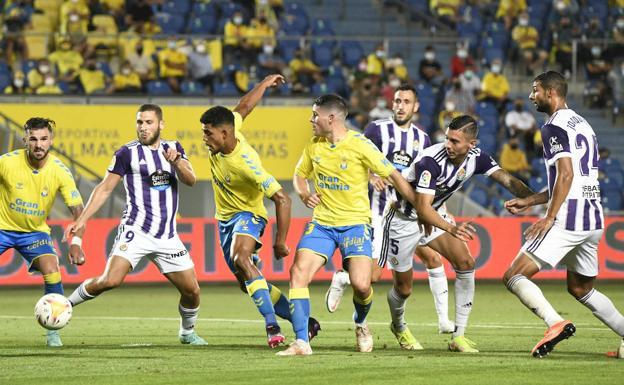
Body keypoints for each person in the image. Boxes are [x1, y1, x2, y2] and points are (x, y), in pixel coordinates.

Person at [277, 94, 421, 356]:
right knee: (298, 273)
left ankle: (360, 323)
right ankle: (301, 342)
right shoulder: (314, 146)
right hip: (322, 224)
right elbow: (299, 176)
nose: (311, 120)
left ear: (330, 118)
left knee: (363, 285)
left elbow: (393, 175)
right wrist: (304, 193)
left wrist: (420, 208)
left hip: (355, 225)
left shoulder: (360, 145)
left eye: (314, 115)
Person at [63, 104, 208, 345]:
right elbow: (104, 188)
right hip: (136, 230)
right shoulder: (126, 153)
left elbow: (191, 179)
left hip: (167, 236)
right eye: (140, 122)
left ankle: (187, 332)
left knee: (192, 292)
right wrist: (81, 220)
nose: (143, 127)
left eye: (149, 122)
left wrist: (177, 162)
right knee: (110, 280)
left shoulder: (174, 148)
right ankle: (66, 304)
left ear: (161, 124)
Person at [503, 70, 624, 359]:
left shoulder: (552, 127)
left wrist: (549, 216)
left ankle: (555, 323)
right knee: (581, 288)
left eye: (535, 90)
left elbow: (567, 174)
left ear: (551, 92)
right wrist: (532, 199)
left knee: (513, 275)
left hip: (569, 218)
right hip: (593, 217)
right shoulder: (582, 123)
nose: (531, 96)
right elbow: (568, 177)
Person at [324, 84, 455, 350]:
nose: (400, 106)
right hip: (380, 214)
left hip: (411, 213)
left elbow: (425, 179)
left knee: (433, 257)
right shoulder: (376, 129)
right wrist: (372, 175)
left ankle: (443, 321)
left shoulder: (423, 138)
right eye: (397, 100)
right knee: (372, 277)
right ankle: (343, 277)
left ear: (415, 107)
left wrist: (436, 209)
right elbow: (356, 155)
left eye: (406, 101)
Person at [199, 74, 320, 348]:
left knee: (242, 259)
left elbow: (283, 200)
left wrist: (280, 241)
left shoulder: (246, 163)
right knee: (248, 282)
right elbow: (243, 107)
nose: (204, 138)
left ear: (224, 133)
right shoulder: (226, 134)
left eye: (208, 133)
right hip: (225, 220)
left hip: (249, 215)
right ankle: (308, 322)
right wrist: (264, 85)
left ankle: (271, 326)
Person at [401, 114, 534, 352]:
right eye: (447, 139)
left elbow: (508, 180)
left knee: (465, 262)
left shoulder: (477, 159)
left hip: (430, 216)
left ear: (471, 145)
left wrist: (533, 199)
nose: (448, 145)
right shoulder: (431, 161)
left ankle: (458, 336)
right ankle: (396, 325)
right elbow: (421, 208)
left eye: (455, 141)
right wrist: (451, 227)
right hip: (400, 217)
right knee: (379, 282)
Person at [0, 117, 85, 347]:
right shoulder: (6, 163)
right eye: (34, 139)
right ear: (25, 139)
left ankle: (53, 331)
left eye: (44, 139)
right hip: (2, 228)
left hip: (35, 233)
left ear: (51, 140)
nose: (39, 144)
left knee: (51, 267)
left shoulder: (60, 171)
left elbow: (79, 211)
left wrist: (76, 241)